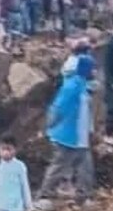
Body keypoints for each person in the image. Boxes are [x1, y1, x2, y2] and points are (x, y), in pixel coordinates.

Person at [41, 57, 95, 202]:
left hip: (81, 137)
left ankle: (84, 195)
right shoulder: (71, 86)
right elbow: (58, 108)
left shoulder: (84, 86)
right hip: (67, 136)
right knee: (58, 166)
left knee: (85, 168)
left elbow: (86, 111)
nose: (94, 72)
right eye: (92, 69)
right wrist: (50, 124)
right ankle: (45, 195)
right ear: (86, 70)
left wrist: (90, 129)